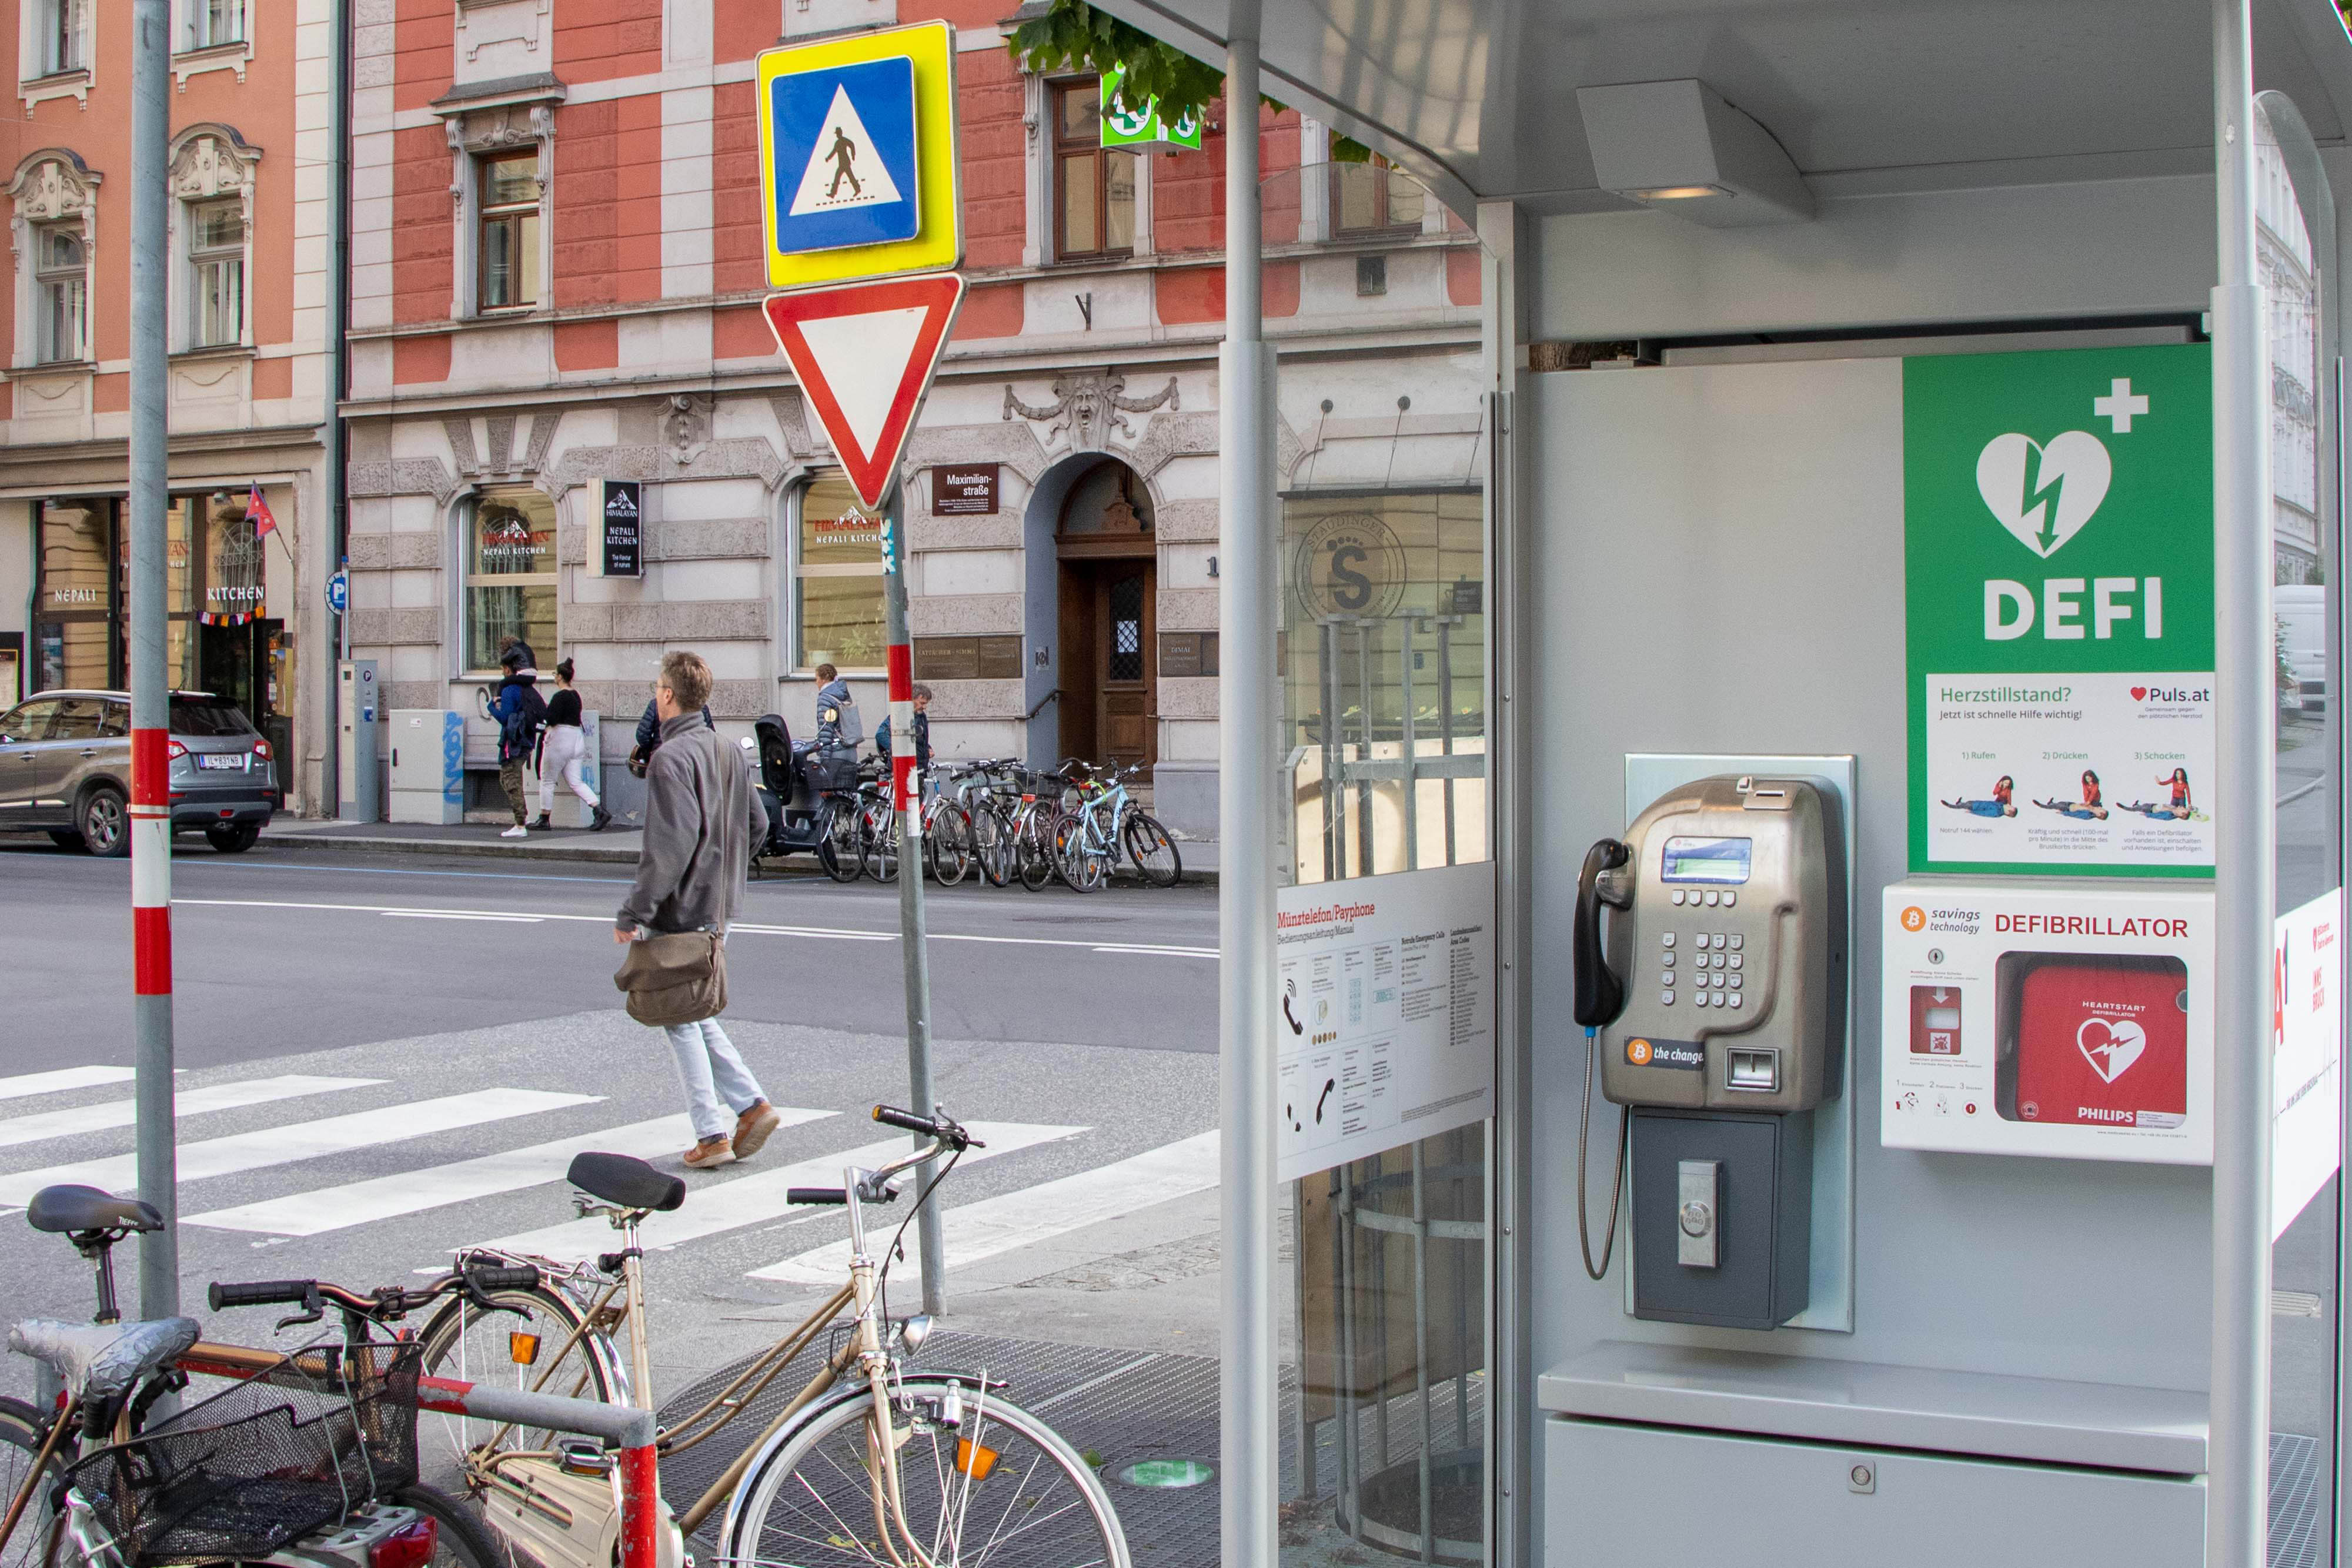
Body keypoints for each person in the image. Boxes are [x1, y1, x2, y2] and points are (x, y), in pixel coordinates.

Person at [616, 651, 780, 1171]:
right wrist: (726, 873)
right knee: (695, 1008)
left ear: (667, 695)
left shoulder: (670, 757)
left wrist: (633, 912)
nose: (655, 695)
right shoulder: (729, 750)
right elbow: (758, 826)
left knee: (679, 1017)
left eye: (656, 688)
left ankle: (711, 1133)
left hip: (681, 907)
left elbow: (671, 844)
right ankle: (752, 1106)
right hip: (717, 908)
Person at [535, 658, 611, 833]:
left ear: (560, 677)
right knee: (576, 782)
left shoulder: (559, 697)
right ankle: (599, 810)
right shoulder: (576, 696)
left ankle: (544, 818)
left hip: (560, 739)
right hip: (577, 740)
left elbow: (551, 719)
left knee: (547, 780)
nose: (555, 677)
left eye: (555, 674)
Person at [486, 643, 548, 839]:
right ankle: (523, 817)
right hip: (526, 741)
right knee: (509, 779)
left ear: (508, 669)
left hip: (512, 744)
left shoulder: (510, 690)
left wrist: (491, 707)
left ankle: (520, 824)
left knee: (511, 782)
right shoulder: (526, 689)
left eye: (503, 669)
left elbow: (506, 718)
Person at [630, 688, 714, 778]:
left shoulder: (657, 704)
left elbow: (642, 735)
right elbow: (710, 738)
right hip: (691, 762)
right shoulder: (700, 706)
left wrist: (654, 748)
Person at [875, 683, 933, 777]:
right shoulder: (900, 715)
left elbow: (919, 738)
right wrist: (897, 749)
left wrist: (928, 748)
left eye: (926, 703)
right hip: (905, 768)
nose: (925, 707)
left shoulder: (921, 716)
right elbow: (881, 734)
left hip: (920, 768)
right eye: (922, 703)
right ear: (912, 699)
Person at [812, 663, 856, 749]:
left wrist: (825, 757)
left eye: (817, 679)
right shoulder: (844, 694)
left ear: (823, 680)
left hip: (836, 750)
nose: (816, 683)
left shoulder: (825, 699)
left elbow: (826, 730)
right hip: (851, 748)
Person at [1939, 774, 2015, 817]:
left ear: (2008, 812)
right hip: (1978, 803)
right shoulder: (2001, 805)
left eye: (2010, 806)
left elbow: (1985, 813)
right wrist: (1999, 786)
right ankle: (1959, 803)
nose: (2009, 805)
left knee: (1964, 806)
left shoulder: (1997, 812)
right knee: (1966, 804)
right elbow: (1995, 793)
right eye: (2005, 783)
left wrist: (1973, 812)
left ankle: (1950, 805)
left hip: (1975, 807)